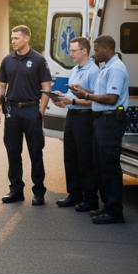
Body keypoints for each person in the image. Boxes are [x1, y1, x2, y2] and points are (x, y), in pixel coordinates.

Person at [69, 34, 129, 224]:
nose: (94, 54)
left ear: (106, 49)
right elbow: (102, 93)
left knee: (109, 167)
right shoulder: (107, 68)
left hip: (110, 121)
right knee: (100, 165)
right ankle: (106, 207)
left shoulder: (117, 68)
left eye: (96, 50)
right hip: (101, 121)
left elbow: (111, 98)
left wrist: (86, 96)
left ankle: (114, 211)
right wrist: (85, 92)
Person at [0, 25, 52, 205]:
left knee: (35, 151)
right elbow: (1, 86)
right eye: (12, 38)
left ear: (26, 39)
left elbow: (46, 87)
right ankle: (16, 190)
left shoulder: (38, 60)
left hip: (31, 110)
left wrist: (40, 111)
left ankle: (39, 191)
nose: (13, 41)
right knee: (13, 152)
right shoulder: (7, 60)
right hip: (12, 110)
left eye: (16, 38)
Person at [51, 37, 100, 212]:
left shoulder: (94, 71)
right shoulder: (74, 70)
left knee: (85, 158)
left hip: (85, 118)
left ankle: (90, 199)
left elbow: (96, 101)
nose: (70, 53)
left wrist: (73, 101)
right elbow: (70, 96)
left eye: (73, 50)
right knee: (70, 156)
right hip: (72, 116)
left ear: (84, 51)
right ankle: (74, 194)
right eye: (70, 50)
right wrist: (61, 99)